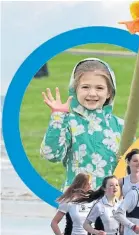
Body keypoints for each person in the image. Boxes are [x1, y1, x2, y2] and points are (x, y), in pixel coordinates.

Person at [40, 58, 124, 191]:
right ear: (75, 90)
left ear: (109, 92)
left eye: (99, 88)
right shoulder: (68, 122)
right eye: (85, 87)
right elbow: (51, 155)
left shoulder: (121, 126)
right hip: (75, 201)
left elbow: (134, 169)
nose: (92, 93)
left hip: (110, 203)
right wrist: (58, 117)